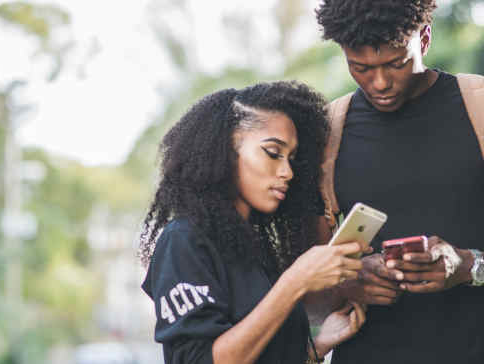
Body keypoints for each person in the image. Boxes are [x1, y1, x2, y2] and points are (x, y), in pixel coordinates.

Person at [309, 1, 484, 363]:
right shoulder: (328, 136)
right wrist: (352, 280)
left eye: (396, 63)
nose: (380, 82)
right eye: (361, 68)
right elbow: (304, 284)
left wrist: (468, 266)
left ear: (425, 38)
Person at [138, 81, 368, 364]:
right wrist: (294, 283)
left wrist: (317, 346)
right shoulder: (184, 240)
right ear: (224, 151)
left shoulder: (254, 247)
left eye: (292, 159)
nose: (287, 172)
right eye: (273, 153)